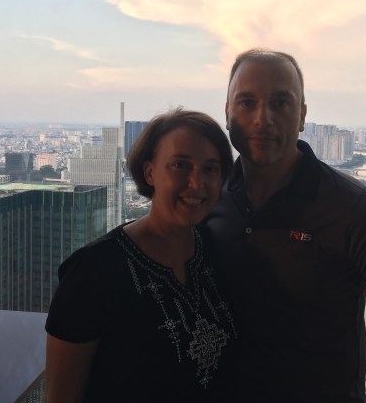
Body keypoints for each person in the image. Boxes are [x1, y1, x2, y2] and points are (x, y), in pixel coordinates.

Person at [207, 49, 366, 403]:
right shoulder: (209, 198)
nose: (262, 119)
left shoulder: (353, 210)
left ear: (302, 116)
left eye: (281, 103)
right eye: (247, 103)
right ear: (227, 112)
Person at [45, 108, 237, 403]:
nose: (197, 182)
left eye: (210, 169)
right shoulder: (93, 272)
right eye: (180, 165)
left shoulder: (214, 249)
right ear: (150, 172)